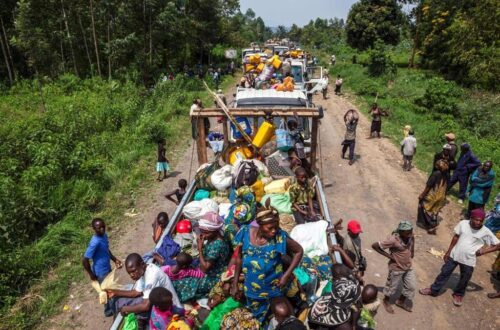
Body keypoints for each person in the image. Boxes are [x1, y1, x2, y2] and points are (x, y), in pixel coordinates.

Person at [232, 202, 304, 324]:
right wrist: (234, 284)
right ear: (260, 225)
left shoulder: (279, 237)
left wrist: (286, 276)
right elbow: (238, 259)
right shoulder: (244, 233)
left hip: (274, 288)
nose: (274, 231)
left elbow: (299, 251)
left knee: (281, 314)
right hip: (251, 289)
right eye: (270, 228)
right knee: (258, 318)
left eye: (276, 227)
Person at [419, 209, 500, 306]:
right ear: (471, 218)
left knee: (465, 278)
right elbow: (456, 237)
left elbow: (498, 245)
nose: (478, 222)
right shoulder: (463, 224)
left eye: (481, 221)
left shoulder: (485, 232)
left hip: (468, 260)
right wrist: (448, 252)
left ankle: (458, 294)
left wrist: (483, 251)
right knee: (444, 272)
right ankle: (433, 290)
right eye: (476, 220)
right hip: (454, 255)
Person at [172, 212, 230, 302]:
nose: (203, 235)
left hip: (214, 277)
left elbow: (205, 268)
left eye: (206, 232)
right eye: (202, 231)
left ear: (214, 231)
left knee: (178, 285)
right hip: (212, 270)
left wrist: (200, 248)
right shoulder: (216, 237)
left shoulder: (217, 245)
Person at [106, 253, 180, 323]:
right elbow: (136, 292)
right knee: (119, 300)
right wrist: (115, 292)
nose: (131, 275)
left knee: (136, 311)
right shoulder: (143, 271)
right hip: (158, 303)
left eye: (133, 271)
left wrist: (125, 309)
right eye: (129, 273)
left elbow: (145, 306)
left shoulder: (152, 275)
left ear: (142, 264)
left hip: (169, 309)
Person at [372, 220, 415, 314]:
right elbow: (375, 246)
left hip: (408, 266)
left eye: (411, 231)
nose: (410, 234)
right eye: (408, 232)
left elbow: (413, 239)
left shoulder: (410, 235)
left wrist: (412, 251)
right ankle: (386, 301)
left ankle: (400, 301)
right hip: (396, 268)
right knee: (391, 288)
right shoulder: (393, 240)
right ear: (401, 232)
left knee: (411, 287)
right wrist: (389, 256)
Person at [82, 218, 122, 317]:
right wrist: (91, 274)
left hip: (107, 268)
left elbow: (106, 249)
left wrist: (114, 259)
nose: (102, 229)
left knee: (105, 292)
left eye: (103, 226)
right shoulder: (95, 242)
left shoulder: (103, 235)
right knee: (110, 293)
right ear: (94, 229)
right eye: (99, 228)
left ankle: (108, 311)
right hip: (100, 272)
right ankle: (116, 314)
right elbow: (84, 259)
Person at [308, 264, 362, 330]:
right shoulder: (355, 284)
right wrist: (354, 325)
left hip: (326, 315)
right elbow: (357, 307)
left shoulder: (336, 289)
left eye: (334, 277)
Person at [417, 159, 449, 234]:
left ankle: (429, 225)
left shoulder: (435, 174)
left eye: (436, 164)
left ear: (438, 166)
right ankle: (433, 222)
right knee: (435, 210)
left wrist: (422, 194)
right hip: (441, 196)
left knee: (424, 207)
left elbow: (429, 186)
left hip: (433, 195)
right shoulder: (446, 174)